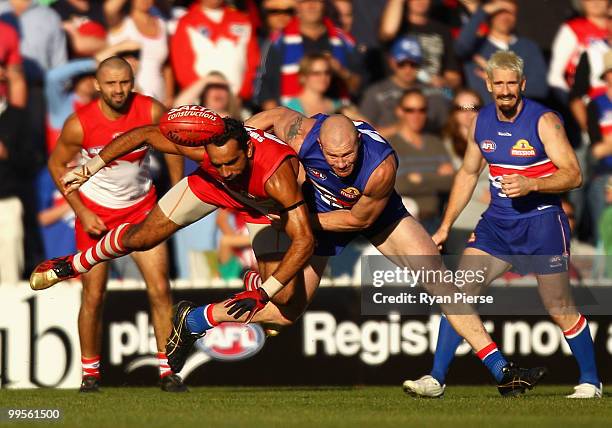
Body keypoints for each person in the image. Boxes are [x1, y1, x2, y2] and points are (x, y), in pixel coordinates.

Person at [235, 106, 546, 397]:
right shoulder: (299, 132)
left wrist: (297, 221)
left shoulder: (381, 164)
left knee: (437, 278)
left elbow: (358, 219)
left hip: (369, 213)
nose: (342, 164)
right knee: (285, 312)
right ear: (317, 141)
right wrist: (240, 149)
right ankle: (198, 319)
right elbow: (269, 118)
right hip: (320, 210)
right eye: (333, 156)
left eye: (348, 155)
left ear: (358, 141)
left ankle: (502, 371)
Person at [31, 113, 316, 379]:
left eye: (232, 162)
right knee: (143, 238)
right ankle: (74, 264)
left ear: (249, 151)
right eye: (218, 163)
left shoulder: (278, 175)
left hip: (263, 207)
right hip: (211, 187)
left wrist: (264, 292)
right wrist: (90, 167)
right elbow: (145, 133)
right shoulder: (206, 153)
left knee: (284, 299)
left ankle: (251, 283)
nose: (226, 170)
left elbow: (306, 239)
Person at [403, 51, 602, 399]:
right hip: (497, 224)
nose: (506, 90)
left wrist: (532, 184)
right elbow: (467, 173)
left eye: (512, 83)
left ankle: (590, 381)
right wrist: (446, 225)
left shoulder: (545, 121)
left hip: (542, 222)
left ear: (522, 84)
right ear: (489, 85)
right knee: (458, 292)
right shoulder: (480, 121)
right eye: (500, 84)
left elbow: (574, 174)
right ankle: (436, 379)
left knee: (559, 306)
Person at [43, 56, 185, 393]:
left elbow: (176, 147)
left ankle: (168, 372)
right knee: (93, 294)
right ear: (97, 85)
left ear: (132, 81)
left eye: (124, 82)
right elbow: (57, 165)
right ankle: (90, 374)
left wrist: (176, 194)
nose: (119, 90)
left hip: (142, 211)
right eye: (111, 83)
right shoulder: (80, 123)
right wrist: (80, 211)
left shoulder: (150, 110)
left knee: (161, 289)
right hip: (96, 215)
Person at [256, 0, 359, 109]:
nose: (311, 5)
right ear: (297, 5)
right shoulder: (277, 41)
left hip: (336, 114)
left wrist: (341, 72)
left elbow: (360, 87)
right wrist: (278, 120)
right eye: (305, 1)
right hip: (290, 118)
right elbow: (263, 85)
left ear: (324, 4)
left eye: (316, 1)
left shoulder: (344, 41)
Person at [386, 88, 454, 233]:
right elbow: (398, 186)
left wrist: (419, 178)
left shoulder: (435, 142)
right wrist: (436, 177)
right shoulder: (388, 146)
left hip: (435, 221)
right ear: (400, 111)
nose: (416, 115)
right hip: (401, 223)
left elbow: (451, 181)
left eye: (422, 110)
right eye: (410, 110)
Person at [454, 0, 548, 103]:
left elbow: (540, 89)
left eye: (509, 12)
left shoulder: (529, 47)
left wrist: (499, 76)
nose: (504, 17)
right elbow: (460, 47)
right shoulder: (475, 46)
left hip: (520, 114)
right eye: (499, 11)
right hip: (480, 112)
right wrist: (483, 11)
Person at [170, 0, 260, 101]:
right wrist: (203, 97)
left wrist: (242, 93)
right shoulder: (186, 22)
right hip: (200, 103)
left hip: (238, 103)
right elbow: (182, 67)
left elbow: (253, 60)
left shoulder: (242, 20)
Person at [358, 35, 449, 133]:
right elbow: (365, 134)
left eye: (413, 64)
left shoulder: (434, 93)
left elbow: (446, 130)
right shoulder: (374, 94)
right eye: (401, 64)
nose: (408, 69)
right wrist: (400, 128)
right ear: (391, 62)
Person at [379, 0, 461, 89]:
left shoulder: (442, 30)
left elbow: (454, 77)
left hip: (434, 93)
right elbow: (388, 32)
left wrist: (443, 82)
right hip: (400, 93)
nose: (420, 1)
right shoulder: (396, 27)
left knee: (468, 102)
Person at [106, 0, 174, 106]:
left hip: (159, 99)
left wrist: (169, 97)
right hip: (129, 99)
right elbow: (109, 9)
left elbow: (167, 65)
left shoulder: (161, 24)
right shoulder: (121, 23)